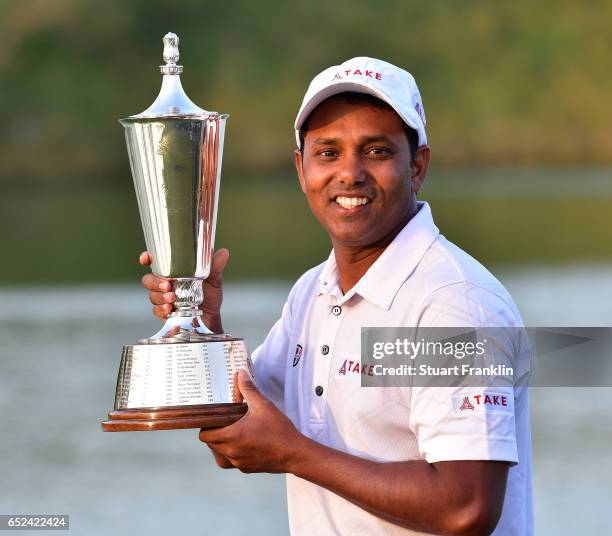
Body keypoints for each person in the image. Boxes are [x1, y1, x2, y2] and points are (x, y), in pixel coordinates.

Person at [141, 57, 533, 535]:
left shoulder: (452, 302)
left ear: (418, 167)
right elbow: (238, 443)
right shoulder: (313, 292)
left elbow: (465, 507)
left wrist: (295, 453)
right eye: (327, 152)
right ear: (300, 167)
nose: (349, 174)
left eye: (376, 151)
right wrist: (203, 329)